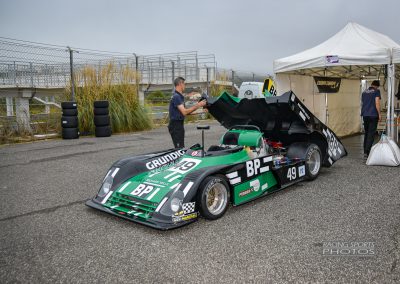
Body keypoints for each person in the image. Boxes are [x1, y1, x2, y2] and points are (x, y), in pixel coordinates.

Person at [168, 77, 207, 148]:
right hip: (175, 125)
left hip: (178, 125)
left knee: (181, 147)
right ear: (180, 84)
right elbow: (184, 112)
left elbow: (187, 111)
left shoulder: (179, 96)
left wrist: (201, 111)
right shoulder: (176, 96)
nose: (185, 86)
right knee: (179, 149)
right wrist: (198, 105)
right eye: (184, 84)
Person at [361, 80, 381, 157]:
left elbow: (363, 103)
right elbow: (377, 103)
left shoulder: (364, 92)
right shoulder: (376, 91)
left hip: (365, 114)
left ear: (371, 84)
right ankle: (367, 151)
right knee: (371, 133)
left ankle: (365, 150)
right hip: (373, 114)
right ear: (377, 86)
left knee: (366, 133)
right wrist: (379, 114)